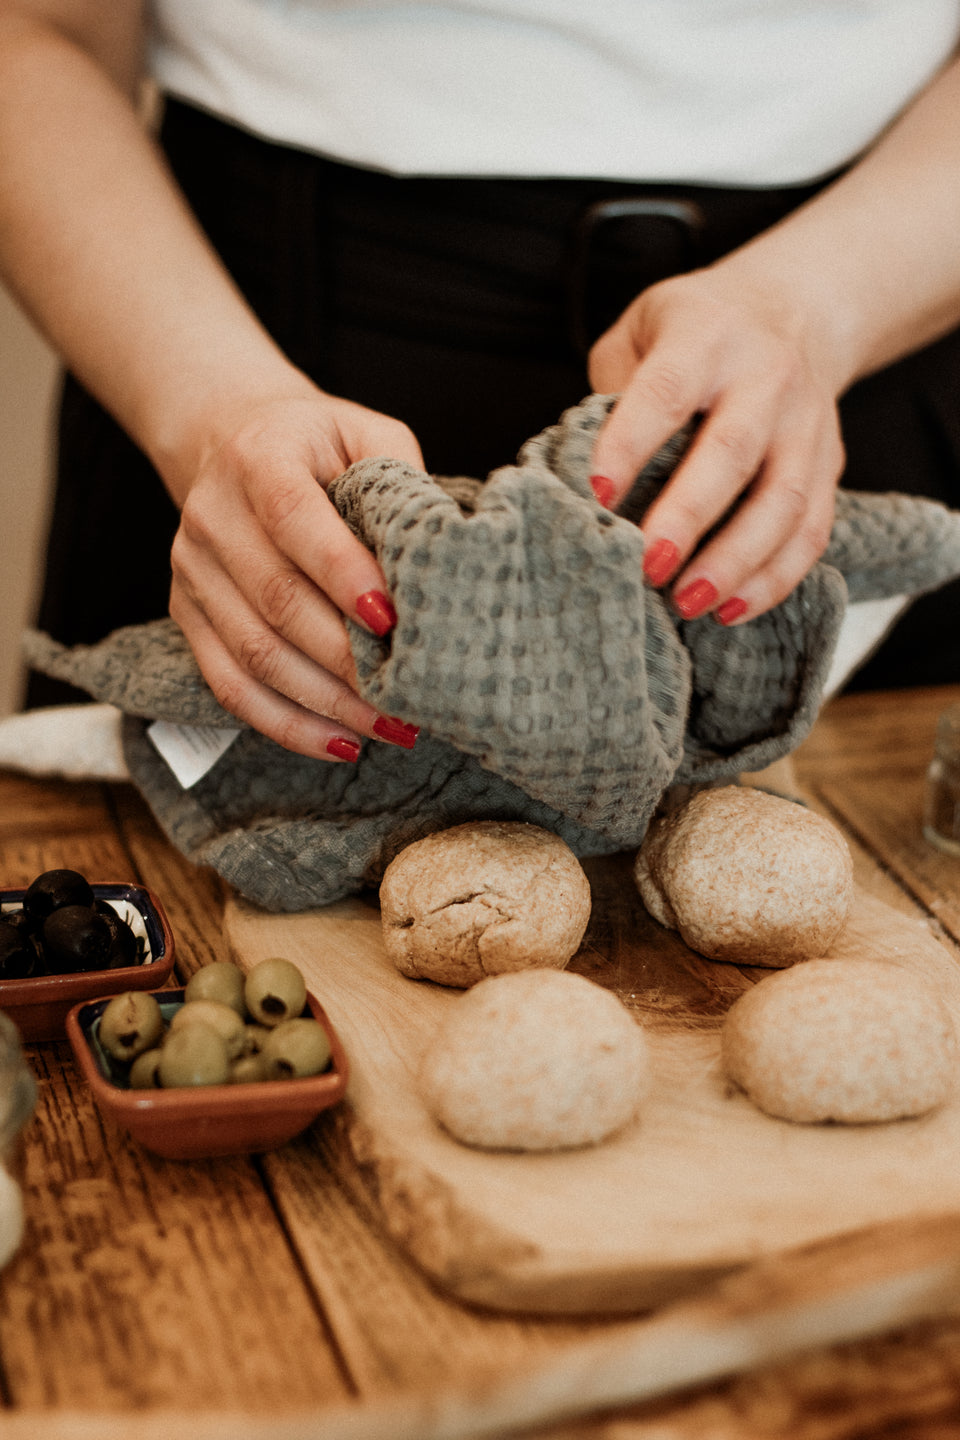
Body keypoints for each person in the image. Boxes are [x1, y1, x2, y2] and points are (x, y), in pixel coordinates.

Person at [2, 2, 960, 766]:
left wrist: (818, 306)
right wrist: (211, 408)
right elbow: (33, 33)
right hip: (238, 350)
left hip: (851, 331)